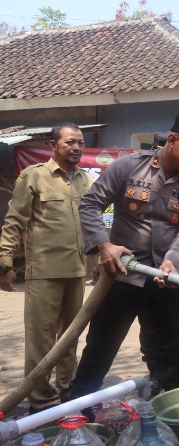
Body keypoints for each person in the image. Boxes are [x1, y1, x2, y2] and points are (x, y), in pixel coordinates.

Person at [69, 115, 179, 409]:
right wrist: (104, 245)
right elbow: (90, 204)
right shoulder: (128, 166)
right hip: (122, 275)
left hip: (170, 280)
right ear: (172, 140)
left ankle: (177, 412)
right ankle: (78, 413)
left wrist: (173, 261)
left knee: (176, 350)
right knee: (101, 346)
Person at [0, 123, 95, 413]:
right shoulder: (34, 176)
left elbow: (92, 223)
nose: (76, 147)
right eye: (69, 142)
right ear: (54, 145)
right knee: (41, 340)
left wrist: (100, 261)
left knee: (70, 338)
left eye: (79, 142)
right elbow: (14, 220)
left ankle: (67, 391)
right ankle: (41, 400)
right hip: (44, 272)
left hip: (78, 271)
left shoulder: (85, 180)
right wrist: (5, 263)